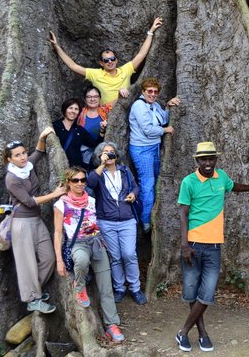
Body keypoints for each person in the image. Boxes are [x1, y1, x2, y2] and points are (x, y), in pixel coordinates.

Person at [175, 142, 249, 352]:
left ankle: (183, 332)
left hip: (213, 246)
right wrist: (184, 245)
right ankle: (202, 334)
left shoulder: (221, 177)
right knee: (193, 292)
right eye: (204, 159)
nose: (208, 163)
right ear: (197, 161)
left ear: (216, 160)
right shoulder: (189, 182)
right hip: (193, 244)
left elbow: (235, 187)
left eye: (211, 159)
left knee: (208, 292)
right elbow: (183, 213)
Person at [53, 167, 125, 342]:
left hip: (95, 242)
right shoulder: (60, 204)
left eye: (83, 180)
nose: (80, 184)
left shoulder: (91, 200)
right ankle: (80, 286)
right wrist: (59, 261)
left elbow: (95, 223)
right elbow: (57, 232)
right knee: (81, 260)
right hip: (77, 243)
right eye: (75, 180)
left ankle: (111, 325)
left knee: (106, 286)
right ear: (68, 183)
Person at [3, 129, 66, 313]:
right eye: (17, 155)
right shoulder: (12, 178)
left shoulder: (27, 166)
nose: (23, 157)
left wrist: (41, 137)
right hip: (22, 223)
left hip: (36, 220)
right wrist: (55, 194)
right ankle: (33, 299)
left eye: (23, 153)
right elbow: (29, 202)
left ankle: (35, 290)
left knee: (48, 258)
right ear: (10, 159)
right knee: (27, 262)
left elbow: (39, 152)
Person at [48, 17, 163, 108]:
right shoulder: (96, 74)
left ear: (116, 60)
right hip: (104, 113)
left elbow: (141, 54)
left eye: (112, 59)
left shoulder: (126, 70)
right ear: (101, 63)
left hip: (123, 111)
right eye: (106, 60)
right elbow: (73, 66)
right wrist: (56, 46)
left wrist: (151, 31)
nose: (110, 62)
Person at [87, 142, 145, 305]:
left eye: (112, 152)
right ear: (99, 156)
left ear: (117, 155)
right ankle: (119, 288)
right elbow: (90, 183)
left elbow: (135, 187)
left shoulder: (125, 171)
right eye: (105, 152)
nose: (109, 155)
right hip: (106, 221)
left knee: (129, 254)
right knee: (115, 257)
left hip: (127, 219)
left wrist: (133, 194)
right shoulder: (98, 173)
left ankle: (135, 288)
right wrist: (102, 164)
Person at [128, 77, 180, 232]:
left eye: (155, 92)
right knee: (148, 184)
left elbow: (163, 119)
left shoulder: (155, 105)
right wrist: (165, 130)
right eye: (149, 91)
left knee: (157, 181)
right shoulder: (139, 106)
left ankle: (153, 214)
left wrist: (168, 107)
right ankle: (145, 221)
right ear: (143, 92)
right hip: (142, 150)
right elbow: (148, 129)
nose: (152, 94)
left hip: (154, 148)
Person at [53, 98, 103, 169]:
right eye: (70, 108)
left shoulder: (79, 130)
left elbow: (95, 145)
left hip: (77, 170)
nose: (73, 111)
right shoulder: (55, 126)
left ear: (79, 112)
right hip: (59, 167)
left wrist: (102, 131)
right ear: (65, 109)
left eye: (76, 109)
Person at [77, 86, 109, 168]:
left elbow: (120, 102)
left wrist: (122, 91)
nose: (92, 99)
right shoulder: (79, 113)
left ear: (100, 98)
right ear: (85, 99)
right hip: (84, 152)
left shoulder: (106, 110)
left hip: (103, 150)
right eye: (89, 97)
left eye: (95, 96)